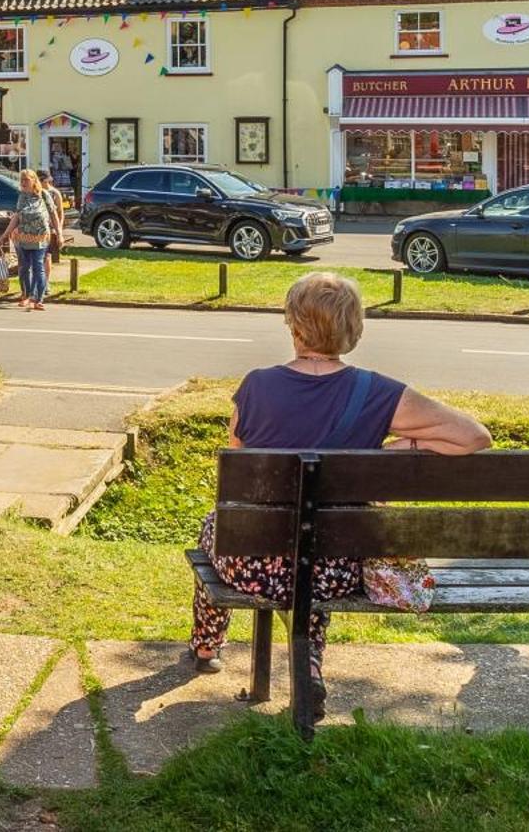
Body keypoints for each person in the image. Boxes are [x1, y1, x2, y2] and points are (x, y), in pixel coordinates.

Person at [191, 272, 491, 705]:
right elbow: (474, 436)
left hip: (251, 563)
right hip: (336, 571)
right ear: (354, 329)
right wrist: (395, 449)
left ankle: (206, 645)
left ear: (293, 325)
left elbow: (236, 469)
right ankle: (308, 660)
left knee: (216, 529)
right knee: (315, 550)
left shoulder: (256, 386)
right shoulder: (380, 393)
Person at [0, 169, 60, 311]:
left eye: (26, 180)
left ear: (34, 180)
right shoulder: (22, 196)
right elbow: (17, 217)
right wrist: (5, 234)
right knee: (24, 268)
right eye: (22, 180)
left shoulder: (44, 195)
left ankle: (39, 299)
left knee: (38, 267)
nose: (23, 183)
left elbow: (54, 214)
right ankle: (26, 295)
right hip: (22, 238)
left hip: (40, 237)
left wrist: (59, 233)